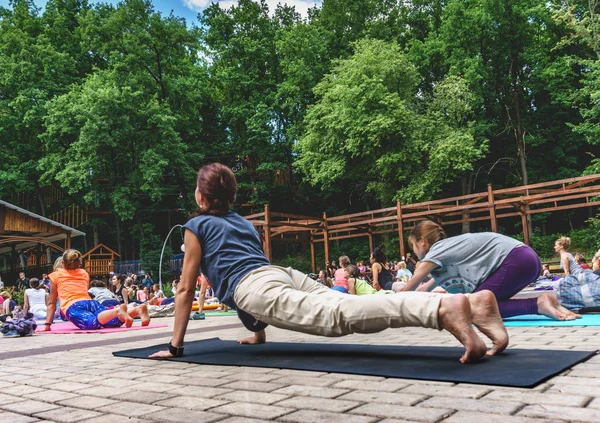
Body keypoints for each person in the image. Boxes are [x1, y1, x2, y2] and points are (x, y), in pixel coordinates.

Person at [150, 163, 509, 364]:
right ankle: (477, 304)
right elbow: (241, 271)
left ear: (200, 195)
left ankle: (444, 310)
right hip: (278, 275)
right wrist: (258, 333)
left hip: (256, 286)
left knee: (339, 316)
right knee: (348, 304)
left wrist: (175, 347)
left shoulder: (195, 226)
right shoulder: (243, 223)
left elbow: (185, 288)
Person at [397, 220, 580, 321]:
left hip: (516, 259)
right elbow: (423, 289)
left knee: (476, 307)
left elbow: (409, 288)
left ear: (422, 242)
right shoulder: (447, 255)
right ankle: (546, 302)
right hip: (528, 259)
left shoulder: (436, 251)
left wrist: (387, 300)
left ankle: (537, 304)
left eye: (412, 245)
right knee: (483, 303)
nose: (413, 251)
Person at [40, 249, 150, 331]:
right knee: (111, 322)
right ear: (79, 262)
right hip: (91, 302)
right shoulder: (84, 273)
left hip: (72, 305)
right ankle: (137, 310)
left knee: (92, 324)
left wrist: (47, 325)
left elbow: (51, 303)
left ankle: (118, 310)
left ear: (63, 263)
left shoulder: (55, 275)